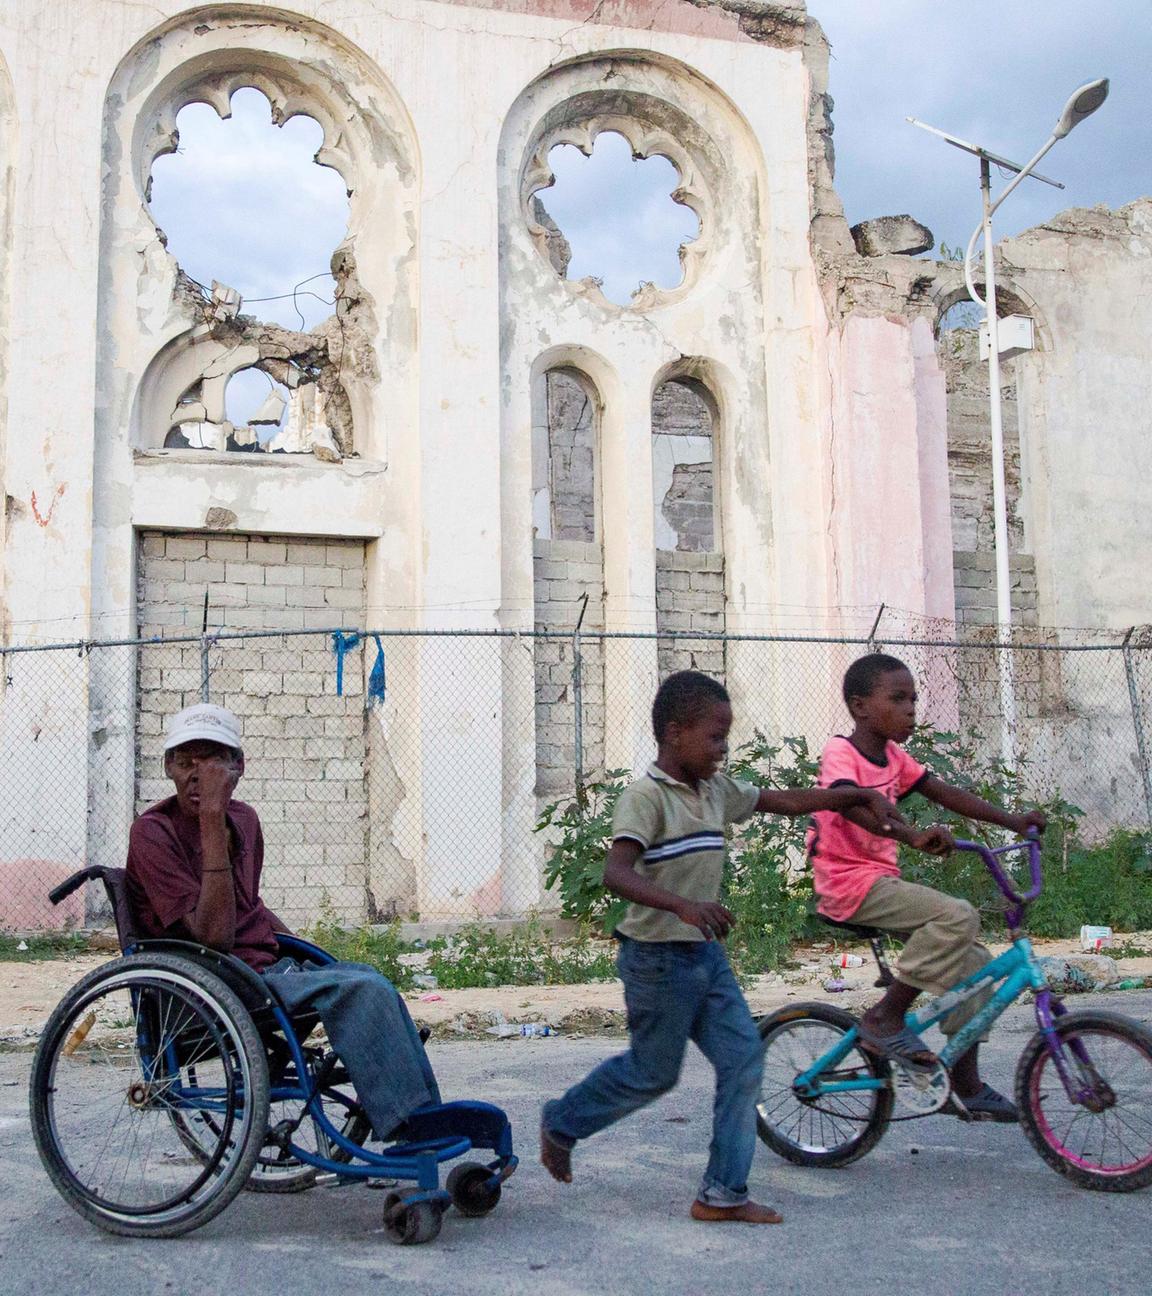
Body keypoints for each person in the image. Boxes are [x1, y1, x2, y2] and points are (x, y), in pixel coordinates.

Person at [539, 670, 903, 1224]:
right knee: (653, 1073)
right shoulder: (646, 798)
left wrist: (848, 794)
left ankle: (722, 1193)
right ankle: (563, 1122)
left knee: (743, 1059)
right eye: (714, 737)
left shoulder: (714, 791)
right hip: (656, 960)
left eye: (726, 737)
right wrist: (682, 905)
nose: (722, 749)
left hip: (704, 957)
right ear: (674, 732)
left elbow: (780, 802)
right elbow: (616, 872)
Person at [126, 702, 440, 1141]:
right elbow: (214, 937)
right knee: (361, 991)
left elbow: (248, 906)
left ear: (238, 767)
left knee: (368, 980)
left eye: (213, 760)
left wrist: (305, 953)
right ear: (168, 768)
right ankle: (411, 1133)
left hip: (261, 974)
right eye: (185, 761)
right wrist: (211, 822)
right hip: (214, 986)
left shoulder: (246, 820)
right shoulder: (152, 832)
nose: (198, 775)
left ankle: (427, 1118)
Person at [807, 652, 1046, 1121]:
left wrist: (1014, 821)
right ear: (860, 707)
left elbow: (946, 794)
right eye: (897, 699)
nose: (911, 709)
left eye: (913, 699)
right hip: (846, 883)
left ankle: (966, 1083)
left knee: (976, 965)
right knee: (957, 914)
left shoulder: (895, 758)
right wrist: (911, 836)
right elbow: (848, 806)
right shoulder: (842, 753)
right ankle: (885, 1016)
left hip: (880, 881)